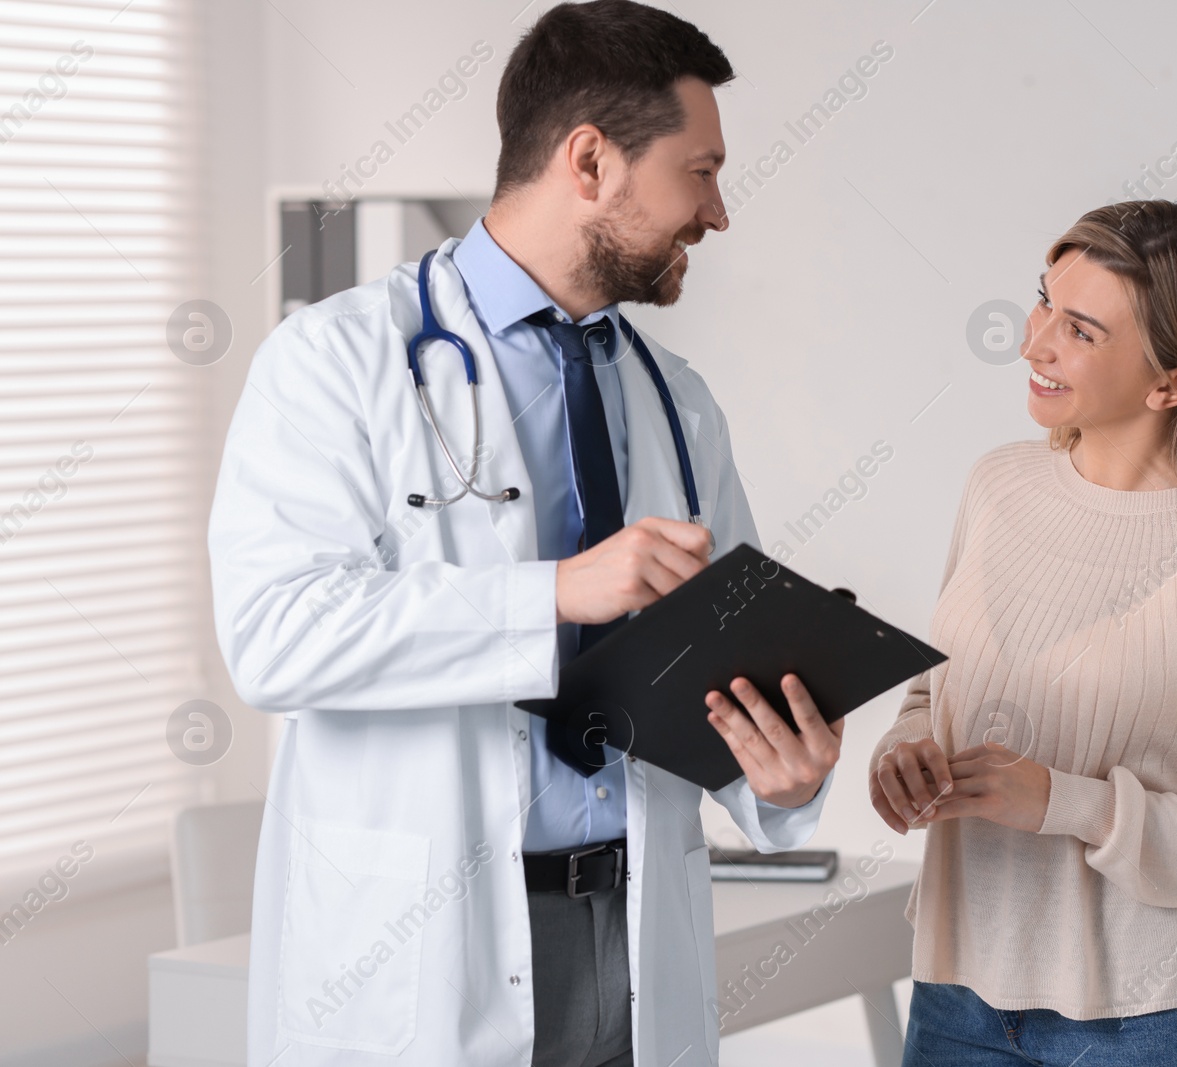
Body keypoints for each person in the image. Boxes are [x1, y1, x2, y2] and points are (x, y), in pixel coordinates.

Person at [208, 4, 840, 1065]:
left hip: (629, 925)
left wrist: (784, 778)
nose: (718, 212)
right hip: (422, 948)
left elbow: (719, 663)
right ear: (590, 159)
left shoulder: (674, 399)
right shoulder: (335, 359)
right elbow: (273, 634)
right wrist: (553, 591)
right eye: (701, 170)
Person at [867, 200, 1177, 1067]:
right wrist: (906, 747)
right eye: (1044, 301)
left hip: (1146, 1022)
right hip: (955, 996)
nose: (1034, 342)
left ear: (1171, 381)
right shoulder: (999, 485)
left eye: (1082, 330)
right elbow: (935, 684)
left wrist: (1066, 802)